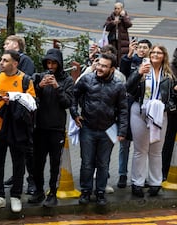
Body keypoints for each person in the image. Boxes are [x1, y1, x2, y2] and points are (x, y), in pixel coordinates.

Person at [70, 53, 128, 206]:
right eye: (99, 64)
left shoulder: (118, 86)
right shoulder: (86, 79)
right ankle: (86, 191)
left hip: (108, 130)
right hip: (87, 128)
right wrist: (75, 114)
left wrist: (122, 131)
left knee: (103, 163)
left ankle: (100, 192)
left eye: (104, 66)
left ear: (112, 69)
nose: (100, 68)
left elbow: (123, 109)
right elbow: (73, 97)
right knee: (87, 163)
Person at [0, 50, 36, 213]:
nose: (1, 62)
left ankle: (15, 196)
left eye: (5, 60)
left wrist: (14, 98)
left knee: (18, 162)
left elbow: (32, 103)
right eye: (1, 59)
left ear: (15, 64)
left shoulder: (25, 80)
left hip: (17, 129)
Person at [28, 48, 73, 207]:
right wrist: (39, 86)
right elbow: (30, 99)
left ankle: (52, 193)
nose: (51, 65)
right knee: (37, 163)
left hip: (56, 128)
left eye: (54, 63)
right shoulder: (39, 77)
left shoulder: (67, 80)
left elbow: (67, 103)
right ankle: (39, 191)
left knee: (55, 163)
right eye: (48, 62)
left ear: (59, 64)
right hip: (39, 127)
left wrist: (57, 87)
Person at [127, 44, 174, 197]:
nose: (154, 54)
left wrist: (170, 104)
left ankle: (155, 183)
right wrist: (138, 74)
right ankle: (137, 183)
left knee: (156, 151)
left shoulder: (169, 74)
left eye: (158, 52)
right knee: (140, 150)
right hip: (140, 111)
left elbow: (172, 96)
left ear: (163, 56)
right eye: (153, 52)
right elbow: (128, 87)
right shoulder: (141, 68)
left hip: (160, 113)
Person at [2, 35, 36, 195]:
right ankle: (17, 176)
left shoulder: (26, 61)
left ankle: (32, 181)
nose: (4, 46)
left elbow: (25, 84)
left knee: (27, 150)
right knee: (15, 150)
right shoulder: (4, 65)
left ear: (16, 45)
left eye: (7, 43)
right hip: (11, 114)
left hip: (22, 113)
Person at [117, 38, 152, 188]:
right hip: (128, 107)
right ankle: (122, 174)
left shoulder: (152, 64)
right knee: (124, 144)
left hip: (145, 108)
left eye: (145, 47)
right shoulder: (131, 61)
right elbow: (123, 72)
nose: (142, 49)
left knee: (142, 147)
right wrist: (129, 54)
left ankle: (140, 176)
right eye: (140, 47)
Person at [162, 47, 177, 181]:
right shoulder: (171, 69)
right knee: (168, 143)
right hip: (173, 114)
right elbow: (167, 91)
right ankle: (163, 173)